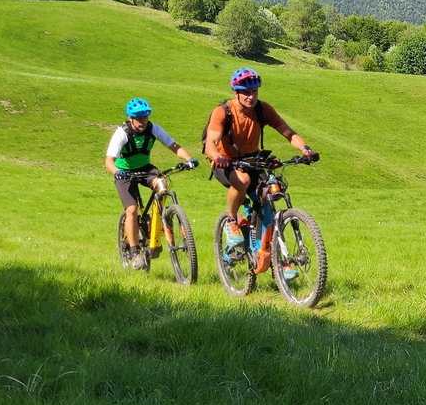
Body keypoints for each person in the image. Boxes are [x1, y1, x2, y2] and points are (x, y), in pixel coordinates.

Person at [204, 68, 316, 249]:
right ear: (236, 92)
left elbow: (288, 133)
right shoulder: (223, 112)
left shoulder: (263, 109)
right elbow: (210, 144)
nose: (251, 97)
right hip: (225, 161)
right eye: (246, 93)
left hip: (252, 161)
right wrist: (218, 157)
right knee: (242, 180)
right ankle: (231, 221)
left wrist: (305, 149)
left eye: (254, 92)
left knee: (269, 194)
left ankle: (272, 255)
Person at [105, 97, 198, 269]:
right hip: (124, 173)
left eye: (145, 117)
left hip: (145, 168)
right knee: (131, 210)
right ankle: (134, 253)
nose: (142, 121)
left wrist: (189, 159)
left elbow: (174, 146)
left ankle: (157, 225)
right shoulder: (122, 133)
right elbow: (109, 160)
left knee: (162, 183)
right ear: (130, 118)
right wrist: (117, 172)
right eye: (139, 118)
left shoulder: (153, 129)